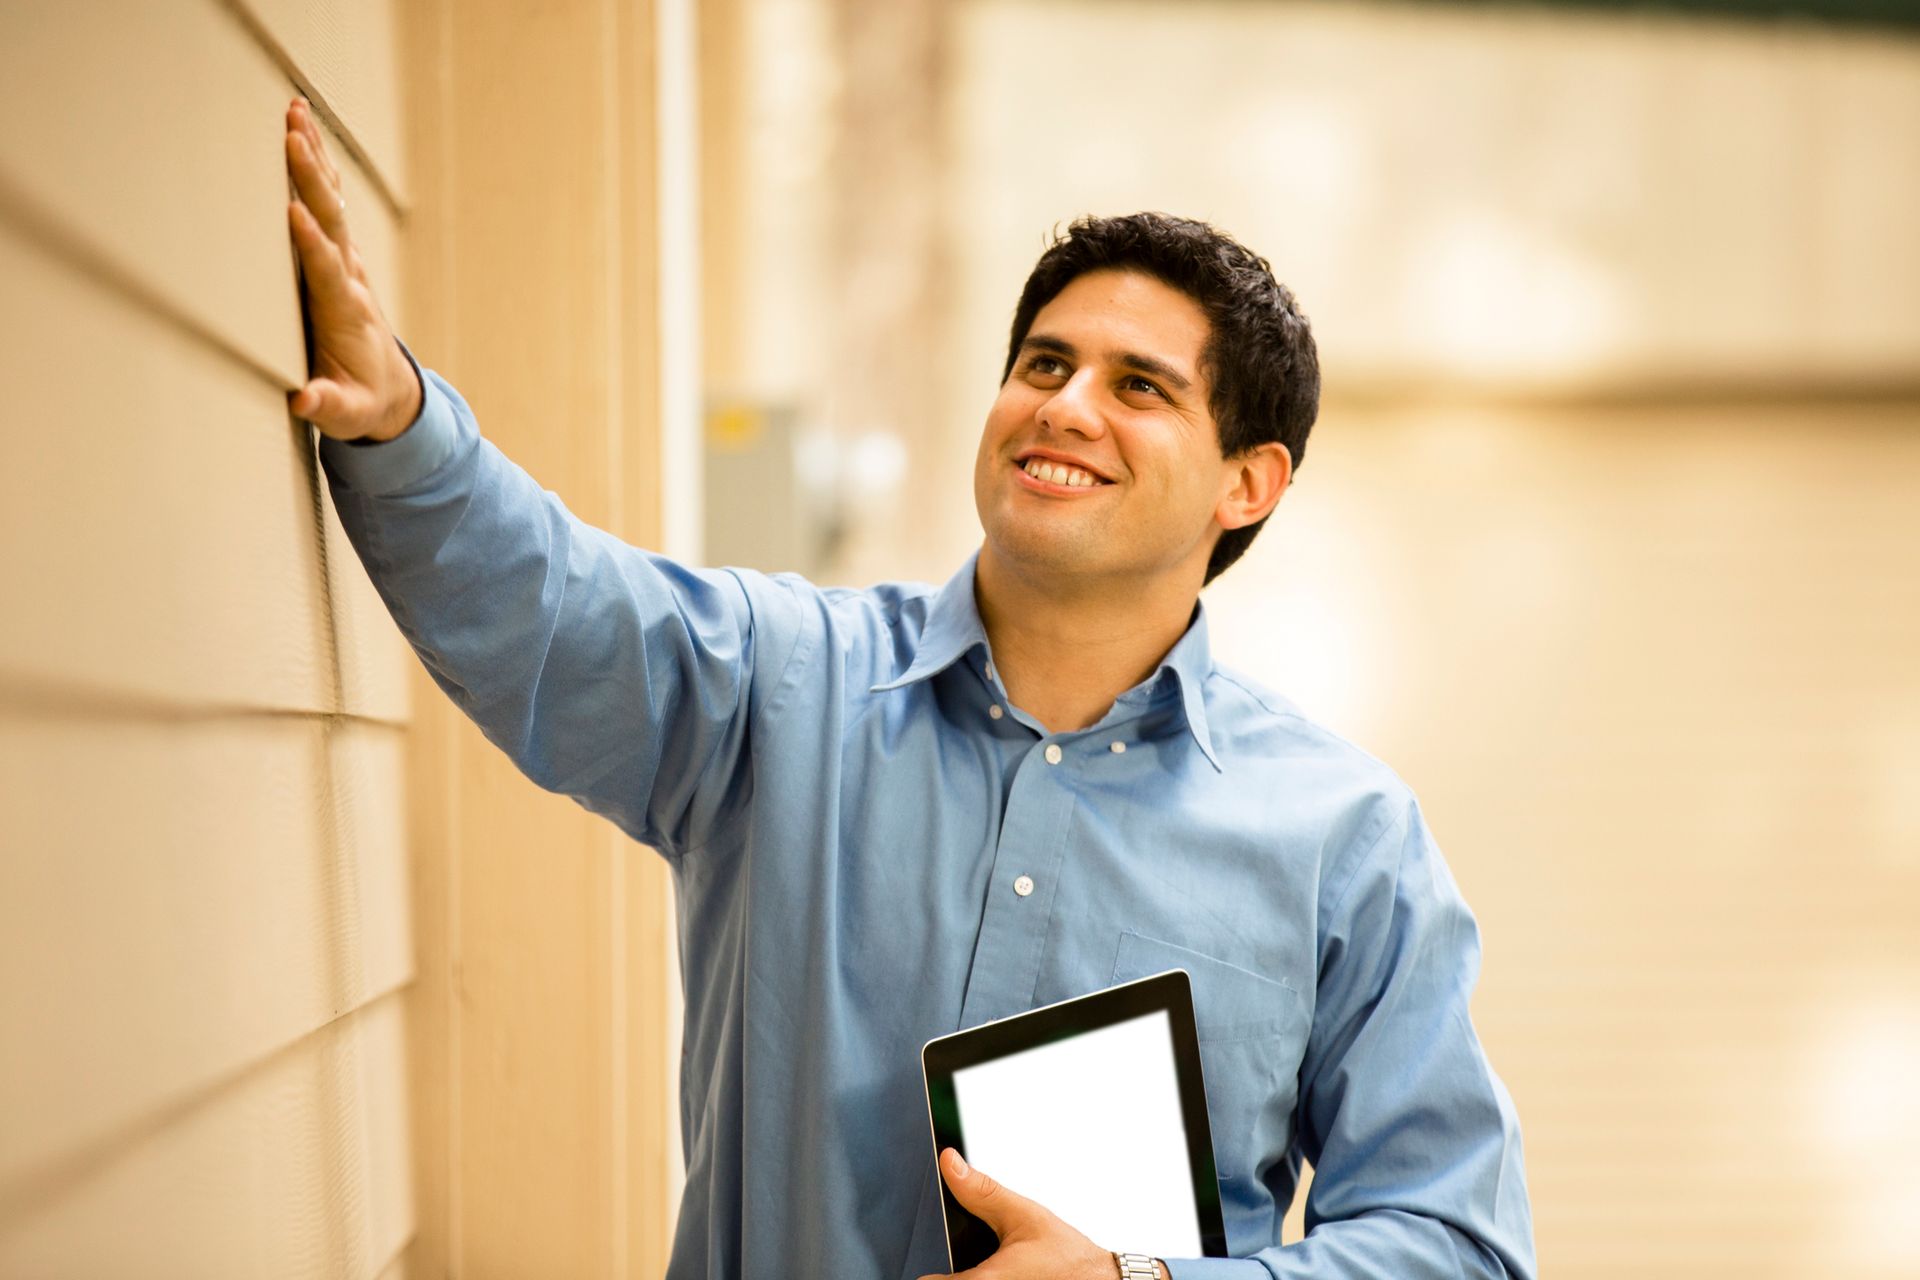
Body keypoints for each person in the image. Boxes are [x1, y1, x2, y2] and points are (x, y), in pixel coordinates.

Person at [285, 97, 1536, 1279]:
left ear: (1246, 484)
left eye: (1137, 386)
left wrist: (1134, 1277)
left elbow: (1455, 1240)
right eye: (1044, 365)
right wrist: (397, 419)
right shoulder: (779, 688)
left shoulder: (1344, 839)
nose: (1065, 407)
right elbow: (551, 604)